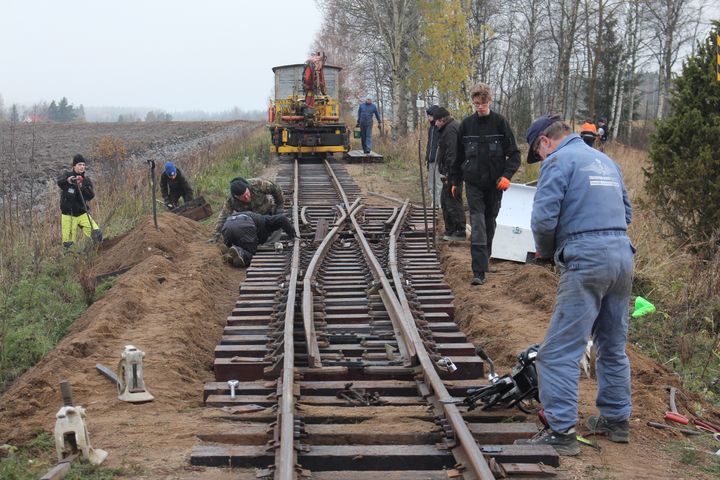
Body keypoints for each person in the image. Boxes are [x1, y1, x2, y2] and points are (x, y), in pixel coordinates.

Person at [517, 114, 634, 456]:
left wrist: (548, 252)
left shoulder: (557, 161)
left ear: (544, 142)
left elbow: (542, 218)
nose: (541, 159)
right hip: (622, 255)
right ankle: (616, 421)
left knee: (558, 351)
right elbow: (626, 214)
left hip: (587, 258)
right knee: (612, 344)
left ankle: (561, 430)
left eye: (538, 153)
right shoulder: (606, 161)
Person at [450, 83, 520, 285]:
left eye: (482, 103)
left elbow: (514, 154)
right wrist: (455, 181)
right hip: (473, 184)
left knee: (490, 223)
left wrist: (507, 175)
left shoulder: (500, 123)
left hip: (495, 184)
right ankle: (478, 271)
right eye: (476, 104)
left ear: (489, 101)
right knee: (478, 223)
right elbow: (458, 157)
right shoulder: (466, 125)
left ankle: (485, 257)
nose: (479, 107)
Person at [208, 176, 284, 243]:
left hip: (268, 214)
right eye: (243, 197)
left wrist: (279, 205)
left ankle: (270, 243)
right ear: (236, 197)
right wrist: (216, 236)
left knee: (278, 221)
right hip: (251, 223)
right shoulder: (231, 201)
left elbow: (276, 188)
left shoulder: (258, 184)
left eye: (247, 194)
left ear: (248, 188)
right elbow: (223, 217)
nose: (247, 198)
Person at [56, 154, 102, 250]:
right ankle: (73, 260)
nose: (82, 167)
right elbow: (60, 182)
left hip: (82, 213)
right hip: (68, 215)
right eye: (79, 164)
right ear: (74, 166)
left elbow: (90, 195)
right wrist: (69, 180)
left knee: (97, 235)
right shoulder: (67, 175)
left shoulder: (86, 181)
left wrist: (81, 186)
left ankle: (95, 254)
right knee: (68, 246)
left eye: (83, 165)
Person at [433, 107, 466, 241]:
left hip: (453, 174)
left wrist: (449, 172)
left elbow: (453, 153)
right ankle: (450, 231)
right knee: (445, 201)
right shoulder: (448, 129)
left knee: (452, 201)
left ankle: (459, 231)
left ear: (442, 120)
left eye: (436, 121)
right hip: (450, 173)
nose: (435, 124)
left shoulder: (451, 130)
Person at [220, 211, 296, 267]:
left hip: (227, 225)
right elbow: (282, 218)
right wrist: (293, 235)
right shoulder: (265, 221)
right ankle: (241, 253)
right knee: (250, 252)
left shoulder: (256, 217)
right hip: (245, 225)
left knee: (239, 240)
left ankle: (228, 248)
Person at [425, 105, 443, 207]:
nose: (428, 118)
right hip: (431, 159)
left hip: (438, 160)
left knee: (438, 182)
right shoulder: (431, 129)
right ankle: (434, 201)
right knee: (431, 183)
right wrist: (427, 157)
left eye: (430, 116)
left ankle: (440, 203)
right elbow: (429, 144)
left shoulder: (440, 128)